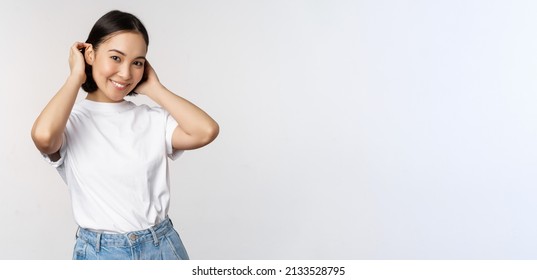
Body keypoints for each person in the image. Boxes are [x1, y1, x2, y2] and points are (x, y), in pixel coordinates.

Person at [30, 10, 219, 260]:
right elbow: (43, 137)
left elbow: (206, 131)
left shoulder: (152, 119)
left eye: (137, 62)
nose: (127, 73)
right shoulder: (70, 121)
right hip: (101, 254)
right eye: (116, 58)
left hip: (162, 247)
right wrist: (76, 75)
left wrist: (155, 89)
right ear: (90, 54)